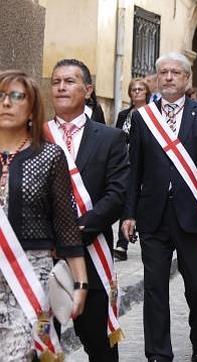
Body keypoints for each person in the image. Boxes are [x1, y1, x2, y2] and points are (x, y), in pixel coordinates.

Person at [122, 52, 197, 362]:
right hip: (153, 215)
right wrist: (128, 213)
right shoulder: (143, 118)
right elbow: (134, 170)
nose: (169, 77)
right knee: (155, 287)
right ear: (156, 79)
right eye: (163, 73)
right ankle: (158, 352)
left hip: (192, 214)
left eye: (176, 73)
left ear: (187, 79)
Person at [0, 70, 88, 360]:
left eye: (16, 96)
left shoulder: (49, 156)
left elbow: (65, 224)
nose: (6, 103)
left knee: (16, 355)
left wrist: (81, 282)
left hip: (28, 275)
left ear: (32, 107)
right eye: (0, 96)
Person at [50, 59, 129, 361]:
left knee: (100, 346)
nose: (61, 87)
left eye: (69, 81)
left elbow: (117, 194)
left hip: (92, 253)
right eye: (56, 81)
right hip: (45, 256)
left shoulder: (110, 137)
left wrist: (75, 233)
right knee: (41, 345)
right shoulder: (35, 136)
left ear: (88, 89)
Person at [114, 77, 150, 261]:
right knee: (127, 200)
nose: (137, 92)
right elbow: (117, 139)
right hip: (127, 164)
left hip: (148, 164)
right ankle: (122, 244)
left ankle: (146, 239)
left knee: (145, 203)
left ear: (146, 92)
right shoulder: (124, 115)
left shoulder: (153, 114)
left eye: (140, 89)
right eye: (134, 90)